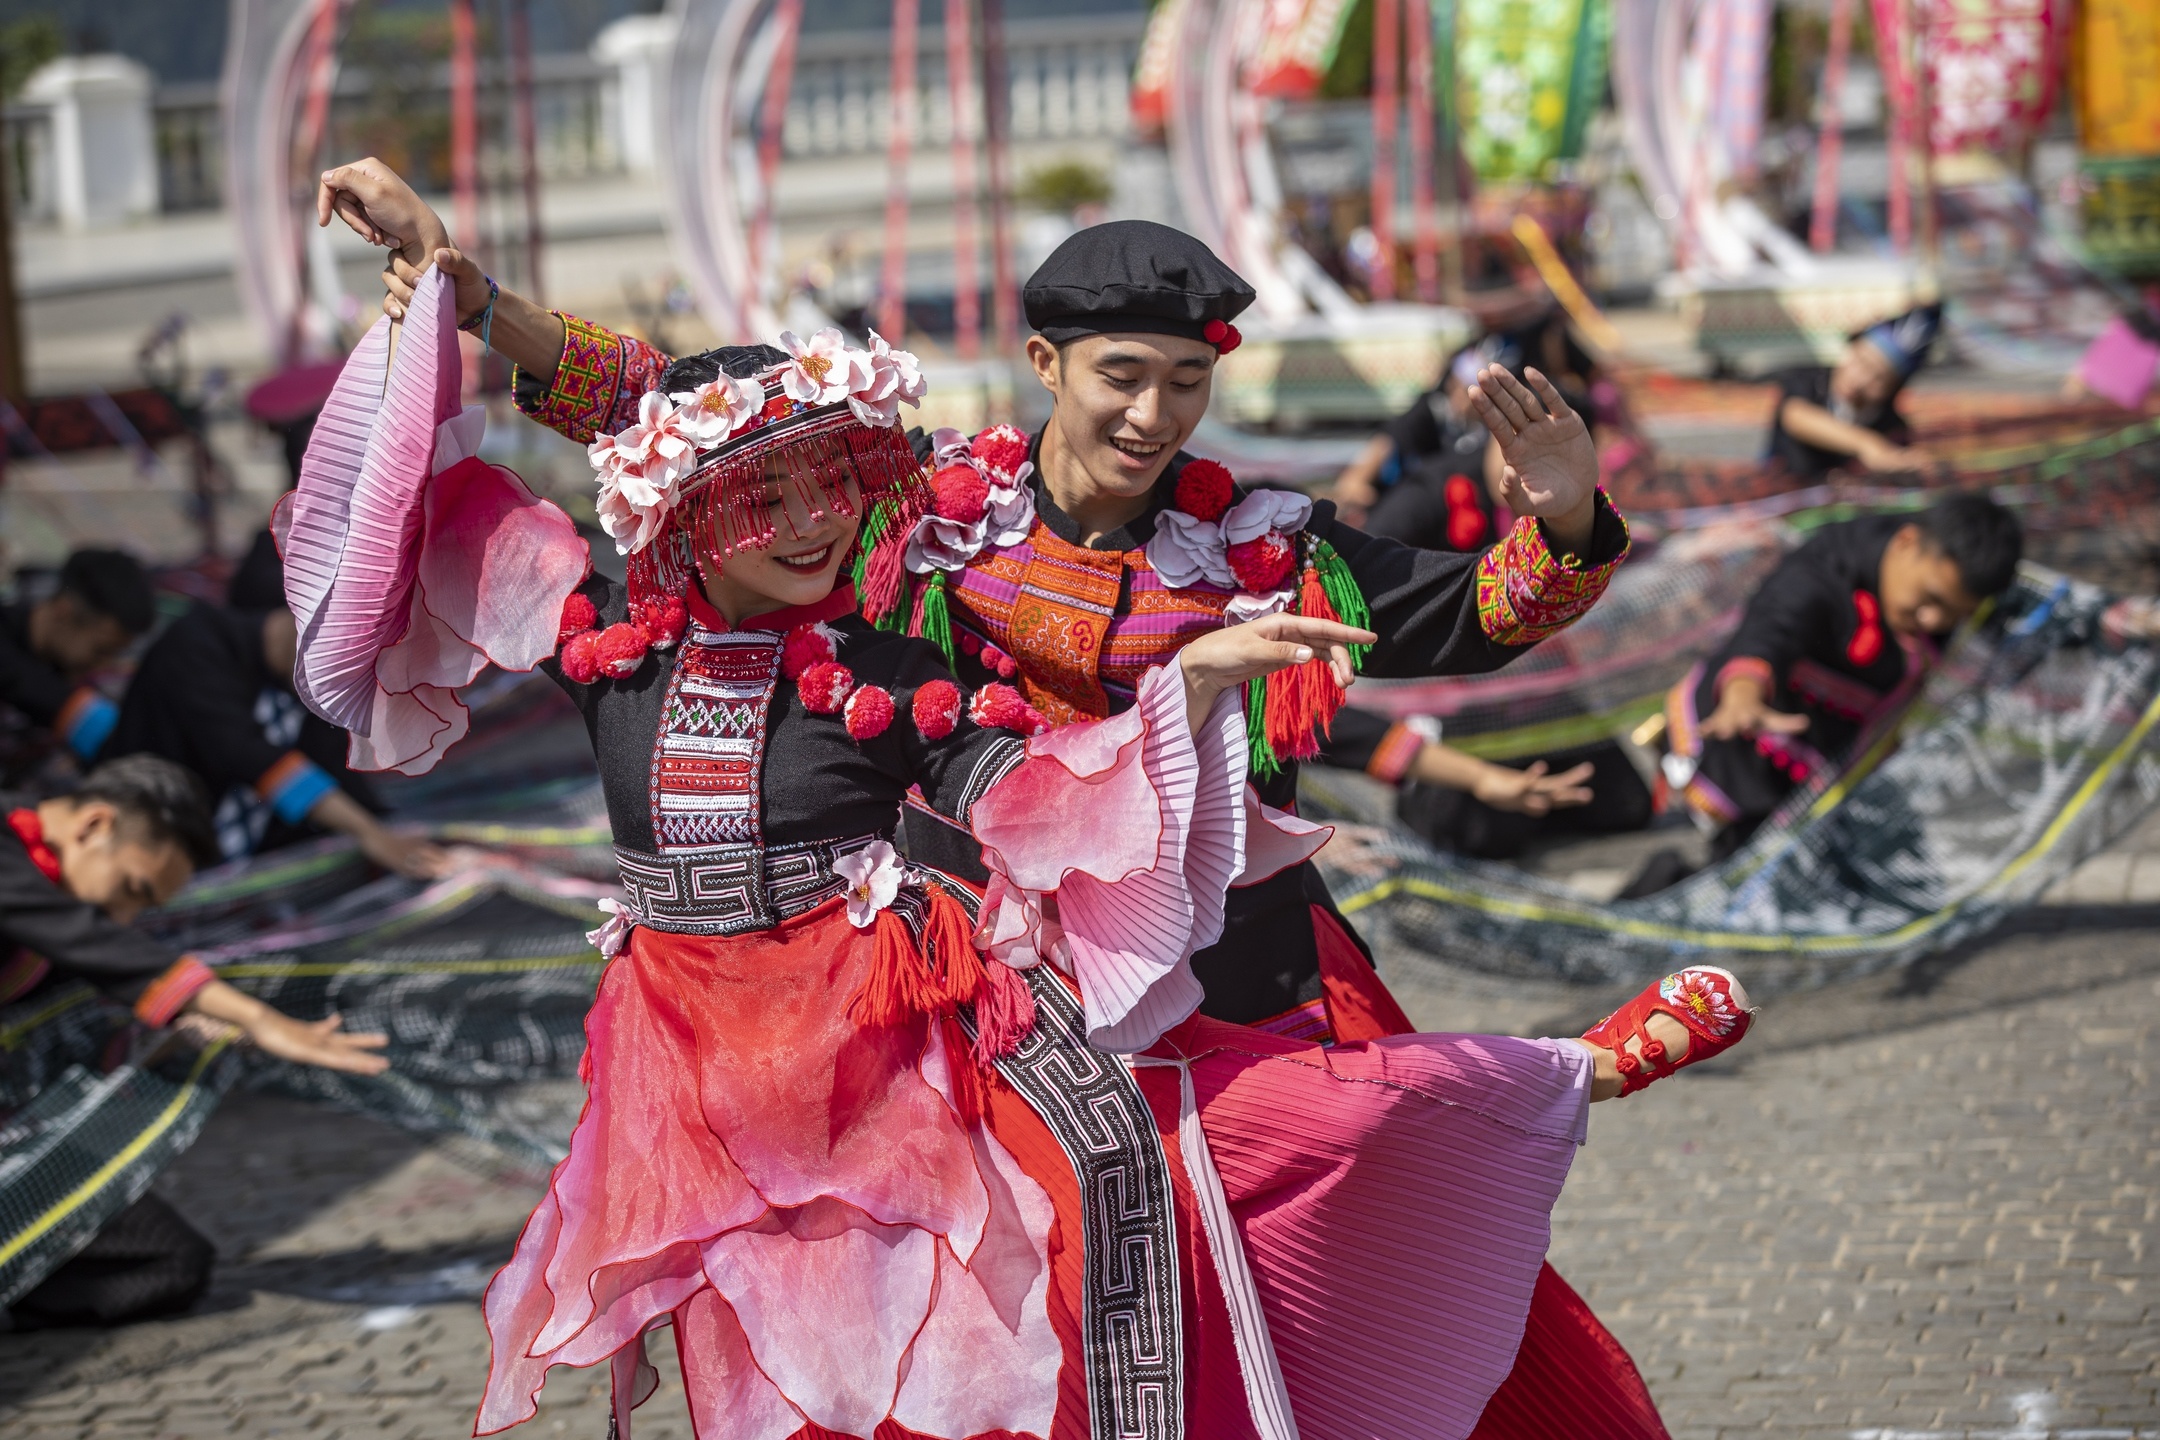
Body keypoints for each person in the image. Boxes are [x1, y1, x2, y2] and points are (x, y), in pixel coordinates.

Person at [286, 247, 1755, 1439]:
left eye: (1185, 382)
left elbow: (1462, 616)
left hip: (1233, 937)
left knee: (1362, 1220)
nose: (1152, 414)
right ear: (1048, 365)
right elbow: (695, 417)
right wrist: (476, 305)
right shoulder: (919, 509)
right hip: (973, 959)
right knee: (974, 1290)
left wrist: (1563, 517)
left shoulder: (1269, 540)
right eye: (1125, 376)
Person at [2, 754, 389, 1324]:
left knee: (169, 1261)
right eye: (131, 889)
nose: (124, 919)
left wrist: (190, 1025)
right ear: (94, 826)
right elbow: (92, 944)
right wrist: (261, 1019)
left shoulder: (63, 896)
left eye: (142, 907)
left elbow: (97, 971)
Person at [1666, 494, 2024, 858]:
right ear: (1906, 543)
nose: (1932, 621)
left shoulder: (1951, 583)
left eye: (1953, 612)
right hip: (1754, 744)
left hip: (1847, 763)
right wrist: (1743, 692)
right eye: (1929, 598)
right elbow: (1772, 626)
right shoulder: (1824, 571)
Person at [99, 601, 448, 877]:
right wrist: (368, 832)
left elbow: (334, 772)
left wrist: (393, 833)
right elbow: (247, 754)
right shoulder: (196, 645)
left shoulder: (297, 689)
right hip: (130, 852)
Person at [0, 549, 155, 766]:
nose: (103, 665)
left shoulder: (61, 670)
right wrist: (78, 713)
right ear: (64, 611)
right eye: (100, 649)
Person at [1766, 303, 1943, 480]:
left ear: (1893, 388)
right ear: (1850, 348)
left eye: (1878, 378)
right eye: (1861, 362)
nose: (1860, 380)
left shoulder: (1891, 425)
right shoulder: (1809, 382)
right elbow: (1795, 416)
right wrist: (1866, 444)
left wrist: (1906, 463)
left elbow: (1893, 460)